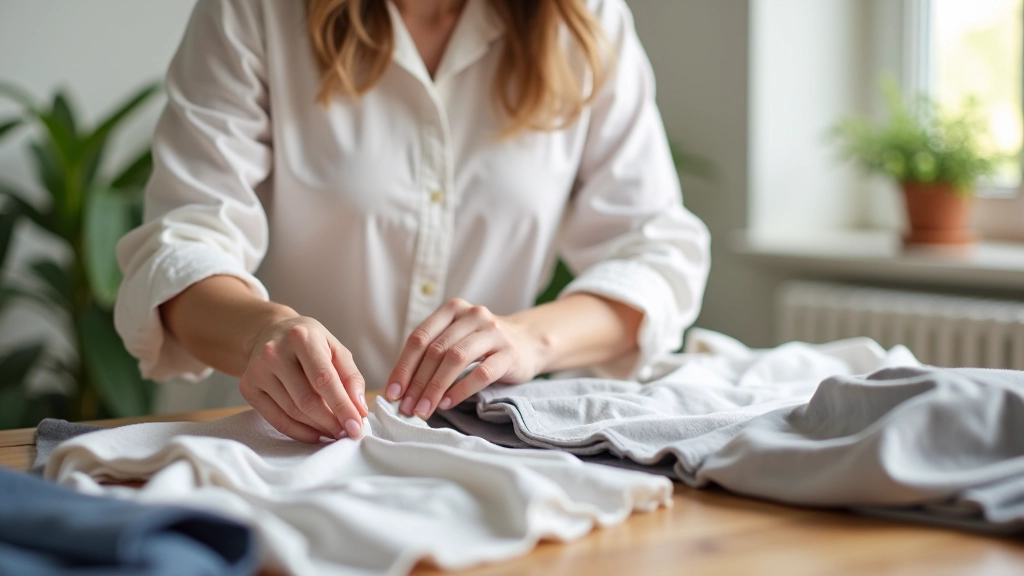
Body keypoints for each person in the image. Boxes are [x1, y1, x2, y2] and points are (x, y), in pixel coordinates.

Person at [114, 0, 710, 445]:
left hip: (480, 445)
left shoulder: (586, 18)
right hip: (274, 444)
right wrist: (260, 333)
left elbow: (657, 254)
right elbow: (182, 248)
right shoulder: (256, 12)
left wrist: (531, 338)